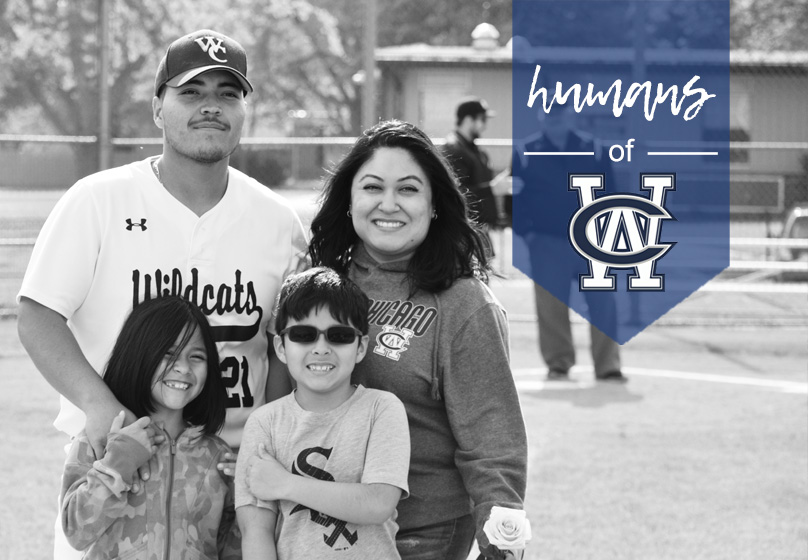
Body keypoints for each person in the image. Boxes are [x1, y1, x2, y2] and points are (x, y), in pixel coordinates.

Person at [16, 29, 307, 557]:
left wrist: (271, 443)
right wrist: (98, 405)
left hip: (228, 484)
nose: (210, 107)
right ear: (157, 107)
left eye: (227, 93)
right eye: (190, 92)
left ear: (246, 111)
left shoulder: (278, 223)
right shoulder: (98, 200)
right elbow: (38, 315)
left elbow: (286, 348)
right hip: (114, 466)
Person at [306, 120, 528, 560]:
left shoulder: (463, 305)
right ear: (349, 202)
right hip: (316, 526)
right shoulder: (317, 288)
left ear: (434, 206)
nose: (388, 204)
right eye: (372, 187)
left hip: (419, 535)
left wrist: (501, 542)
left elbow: (493, 442)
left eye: (408, 189)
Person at [235, 267, 410, 560]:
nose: (321, 348)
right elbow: (256, 533)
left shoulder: (382, 409)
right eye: (303, 335)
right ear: (280, 346)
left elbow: (378, 503)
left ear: (360, 347)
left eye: (339, 336)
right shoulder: (264, 424)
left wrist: (286, 484)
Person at [60, 296, 240, 559]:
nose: (183, 367)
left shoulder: (217, 457)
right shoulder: (99, 440)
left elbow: (234, 548)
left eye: (197, 356)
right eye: (168, 354)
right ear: (139, 355)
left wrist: (249, 488)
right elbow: (76, 533)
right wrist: (118, 464)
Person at [511, 101, 625, 382]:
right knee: (551, 306)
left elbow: (610, 194)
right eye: (549, 113)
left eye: (560, 113)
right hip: (546, 241)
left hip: (591, 243)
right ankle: (558, 363)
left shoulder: (594, 148)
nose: (555, 118)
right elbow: (515, 198)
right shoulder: (526, 152)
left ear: (571, 115)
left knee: (603, 303)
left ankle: (607, 365)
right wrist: (528, 233)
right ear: (541, 116)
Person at [442, 97, 510, 256]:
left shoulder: (473, 150)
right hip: (463, 233)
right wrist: (492, 189)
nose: (485, 125)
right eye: (482, 119)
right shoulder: (453, 150)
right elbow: (454, 194)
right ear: (468, 119)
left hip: (477, 230)